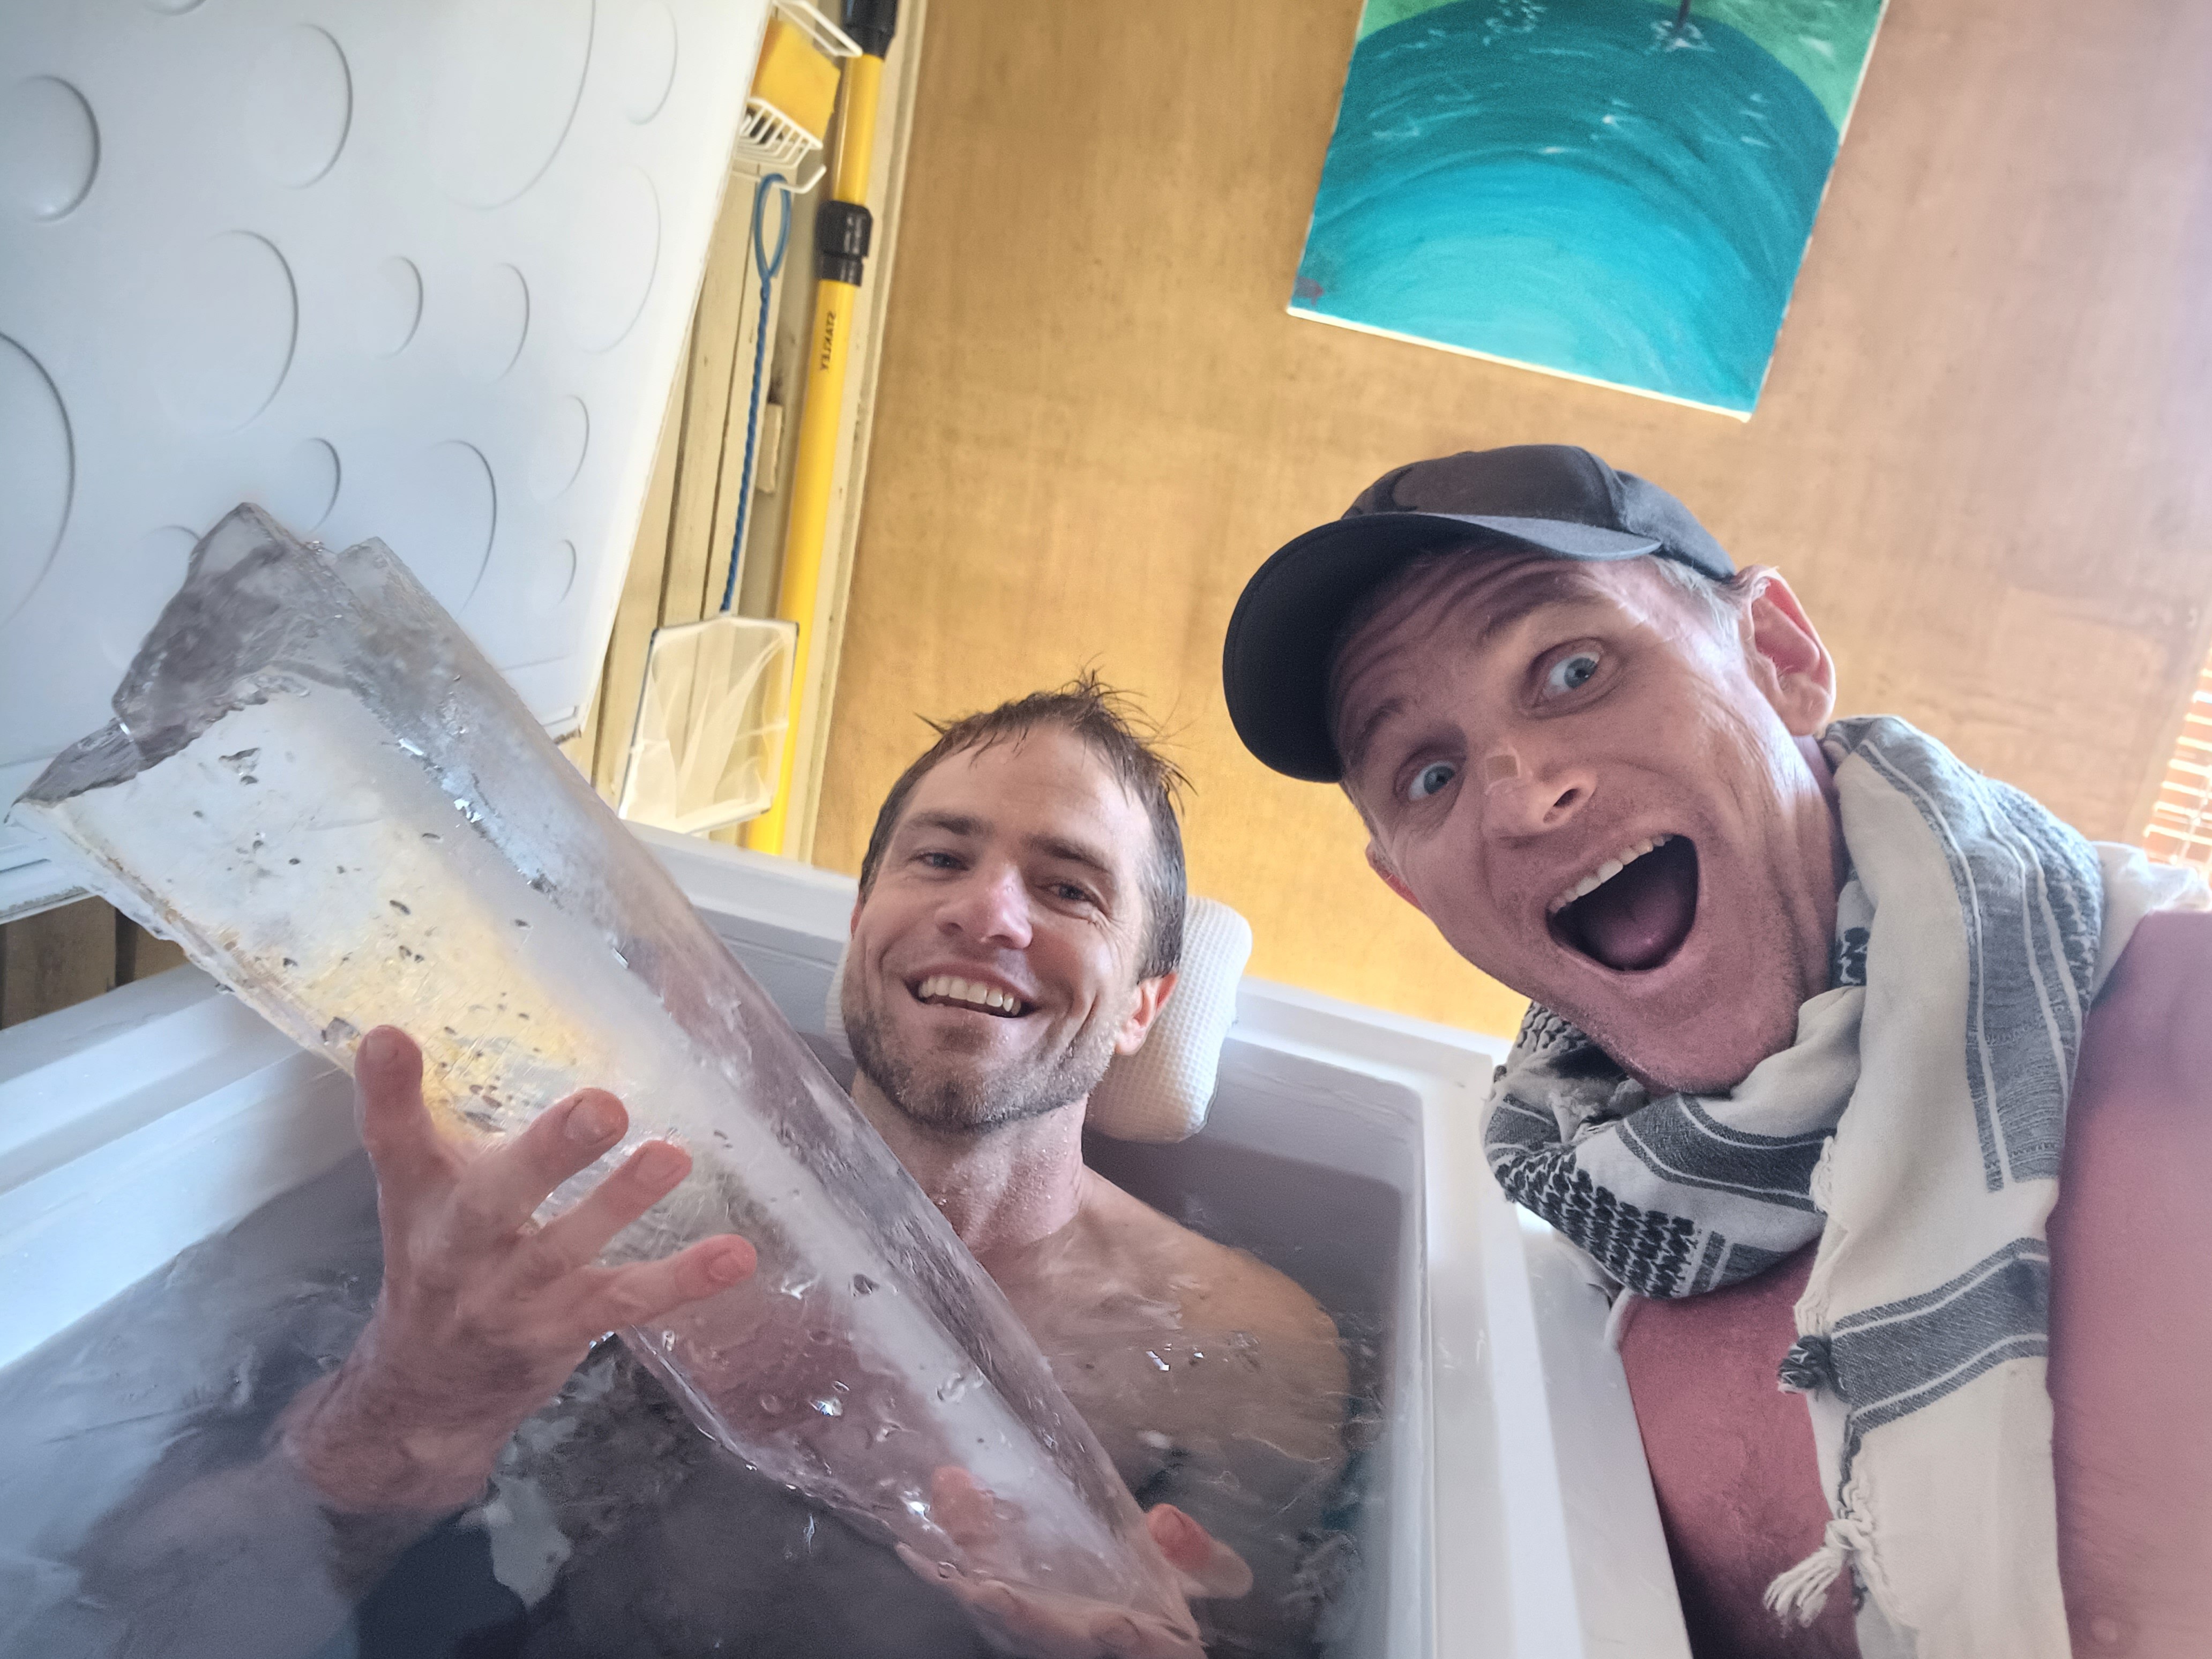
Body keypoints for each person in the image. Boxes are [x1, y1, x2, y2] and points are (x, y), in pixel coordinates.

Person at [67, 678, 1346, 1659]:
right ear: (861, 932)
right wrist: (404, 1412)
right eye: (941, 859)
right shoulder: (613, 1192)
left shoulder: (1247, 1350)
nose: (988, 913)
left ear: (1142, 1007)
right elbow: (128, 1606)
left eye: (1069, 890)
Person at [1219, 444, 2211, 1659]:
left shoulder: (2179, 1032)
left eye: (1574, 670)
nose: (1524, 796)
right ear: (1413, 892)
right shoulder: (1594, 1222)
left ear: (1780, 659)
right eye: (1430, 773)